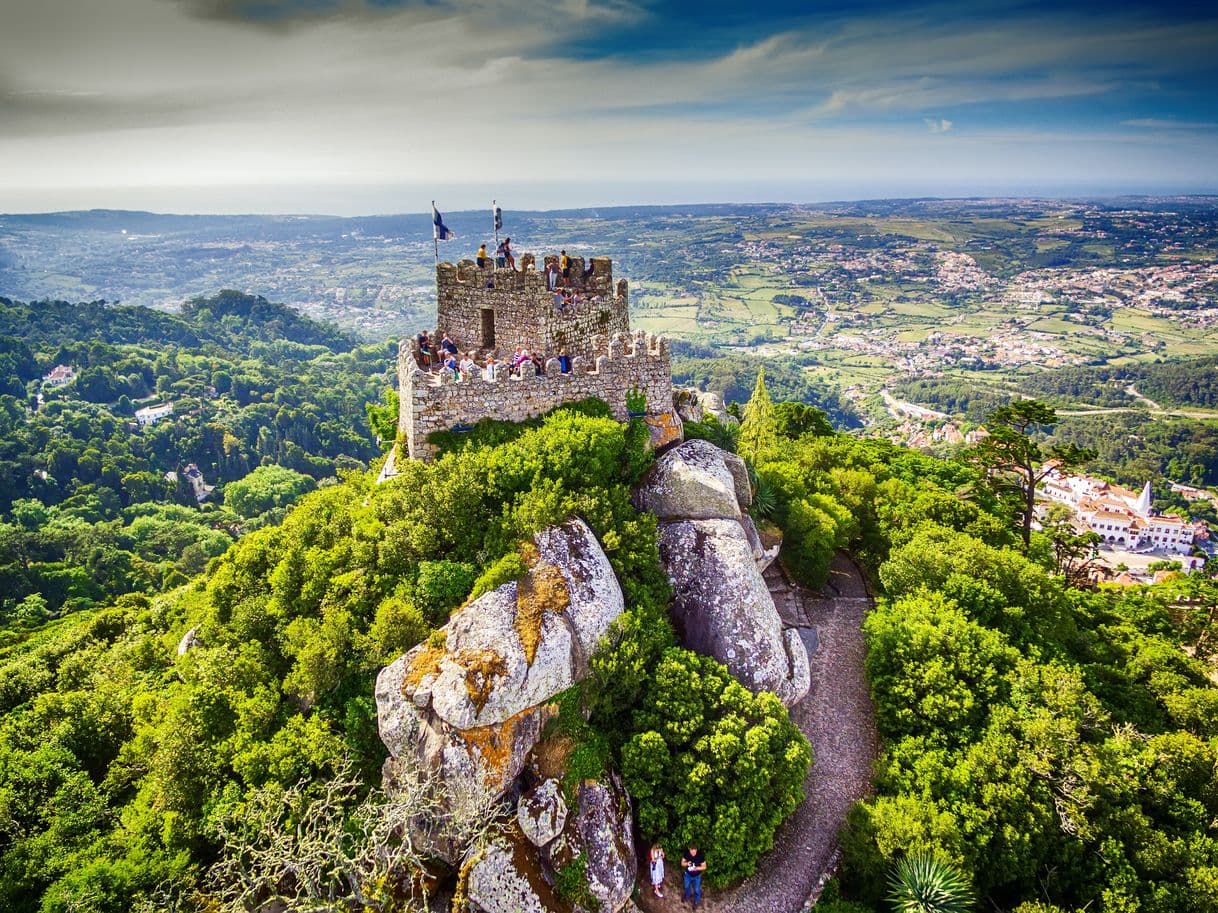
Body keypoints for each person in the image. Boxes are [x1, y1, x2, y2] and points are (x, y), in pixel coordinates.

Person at [681, 845, 706, 910]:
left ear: (696, 849)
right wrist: (687, 863)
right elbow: (682, 863)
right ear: (689, 849)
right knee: (686, 886)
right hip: (687, 875)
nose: (693, 853)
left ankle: (696, 902)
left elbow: (704, 867)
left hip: (697, 876)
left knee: (696, 890)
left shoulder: (700, 855)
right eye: (691, 852)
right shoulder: (687, 853)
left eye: (694, 852)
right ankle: (687, 896)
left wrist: (696, 868)